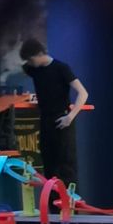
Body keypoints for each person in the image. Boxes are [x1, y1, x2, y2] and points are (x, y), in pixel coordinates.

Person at [20, 38, 89, 185]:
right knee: (49, 164)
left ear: (39, 54)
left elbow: (83, 93)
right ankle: (52, 206)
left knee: (66, 165)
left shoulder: (61, 68)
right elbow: (23, 66)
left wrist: (70, 116)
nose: (30, 64)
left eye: (32, 60)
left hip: (62, 118)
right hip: (45, 120)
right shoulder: (33, 69)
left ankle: (70, 205)